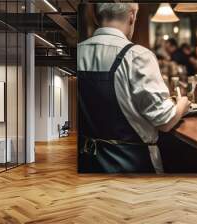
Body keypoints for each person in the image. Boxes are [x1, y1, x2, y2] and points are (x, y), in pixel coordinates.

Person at [77, 3, 190, 173]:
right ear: (132, 16)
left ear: (96, 17)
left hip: (88, 163)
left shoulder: (78, 51)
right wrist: (182, 104)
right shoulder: (137, 55)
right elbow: (165, 121)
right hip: (131, 164)